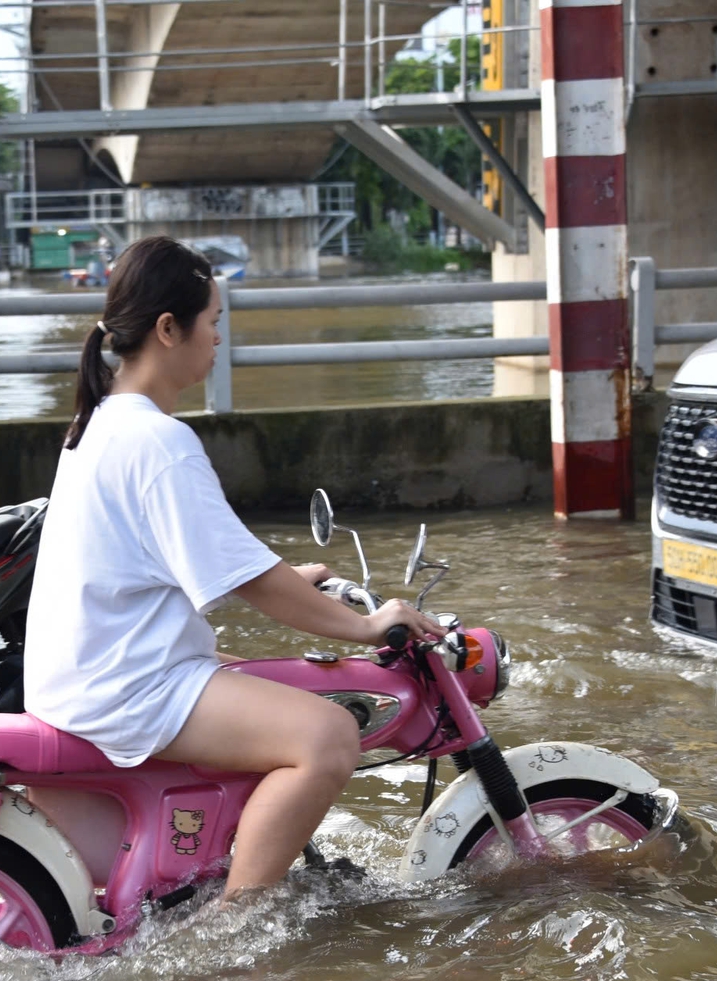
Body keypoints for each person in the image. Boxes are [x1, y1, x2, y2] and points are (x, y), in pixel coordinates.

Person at [24, 235, 441, 898]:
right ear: (169, 329)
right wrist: (366, 627)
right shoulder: (159, 439)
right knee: (330, 735)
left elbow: (200, 559)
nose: (218, 337)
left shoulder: (96, 424)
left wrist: (289, 578)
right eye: (213, 321)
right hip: (129, 685)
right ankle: (236, 927)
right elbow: (246, 578)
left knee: (260, 681)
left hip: (87, 672)